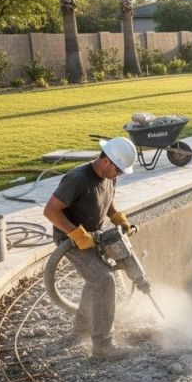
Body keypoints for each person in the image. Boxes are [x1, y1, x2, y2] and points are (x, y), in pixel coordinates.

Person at [43, 137, 138, 361]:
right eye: (119, 170)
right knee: (104, 280)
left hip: (91, 236)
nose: (120, 175)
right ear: (106, 161)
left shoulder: (109, 176)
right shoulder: (77, 179)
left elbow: (108, 199)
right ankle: (103, 346)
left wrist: (117, 217)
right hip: (70, 240)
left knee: (95, 278)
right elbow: (50, 211)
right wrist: (76, 233)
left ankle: (82, 327)